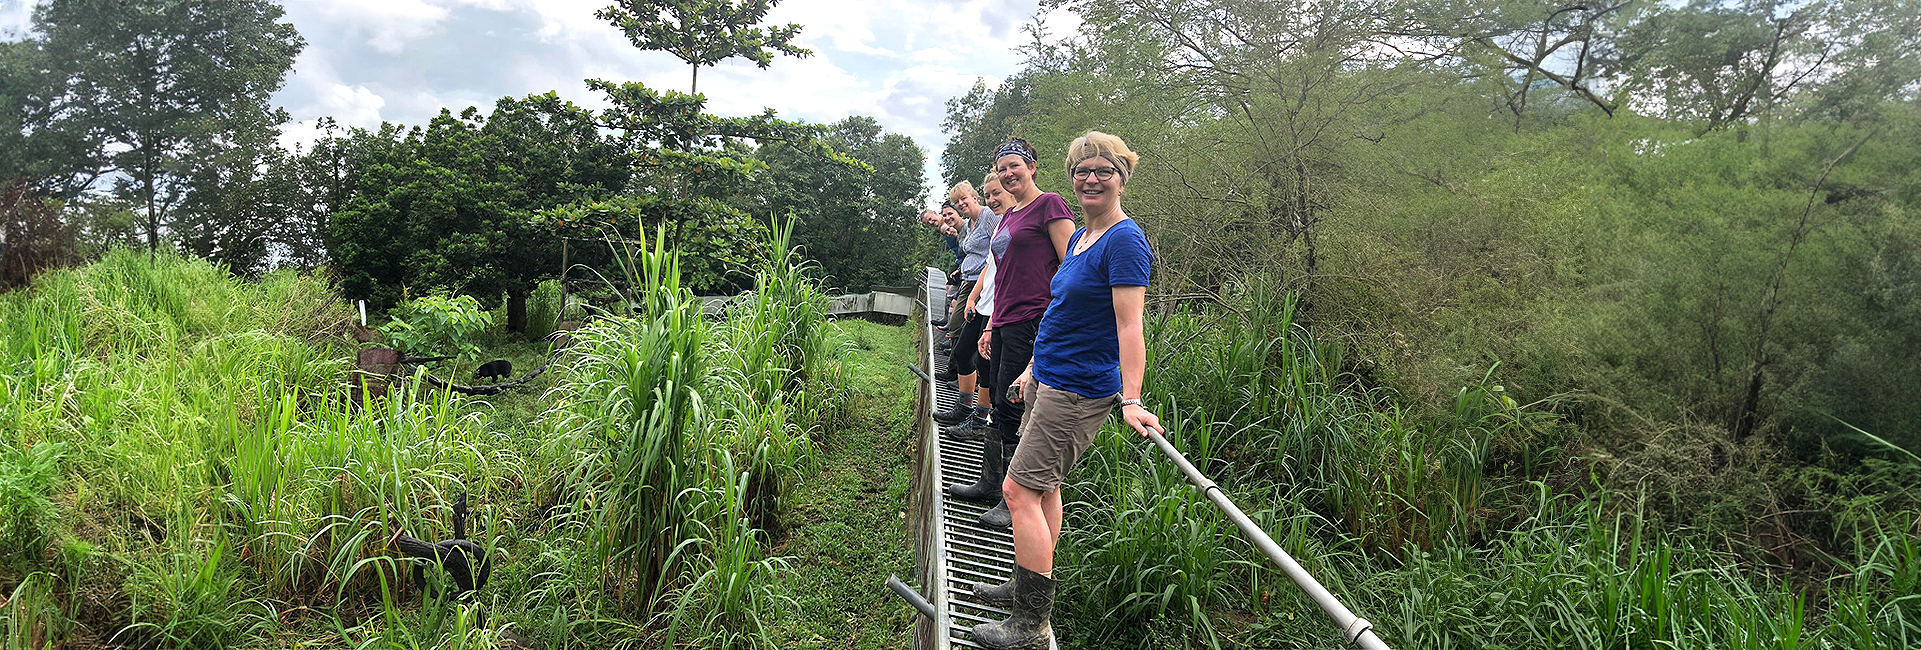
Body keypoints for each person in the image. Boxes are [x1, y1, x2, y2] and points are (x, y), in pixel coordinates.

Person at [968, 132, 1163, 650]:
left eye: (1103, 171)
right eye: (1082, 171)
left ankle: (1031, 625)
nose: (1091, 179)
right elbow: (1059, 310)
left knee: (1017, 491)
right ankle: (1024, 585)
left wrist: (1133, 397)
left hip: (1079, 389)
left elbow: (1129, 325)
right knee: (1045, 487)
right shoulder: (1080, 238)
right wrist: (1032, 366)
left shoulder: (1125, 240)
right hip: (1049, 377)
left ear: (1122, 177)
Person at [964, 137, 1075, 530]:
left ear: (1032, 167)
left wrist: (1052, 327)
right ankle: (991, 482)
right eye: (1003, 168)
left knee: (1015, 405)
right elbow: (1003, 274)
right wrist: (992, 324)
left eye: (1015, 165)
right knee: (999, 400)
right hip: (1006, 320)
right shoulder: (1010, 215)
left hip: (1035, 319)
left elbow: (1070, 266)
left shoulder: (1051, 205)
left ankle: (1015, 500)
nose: (1009, 173)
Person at [936, 181, 1002, 423]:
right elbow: (990, 261)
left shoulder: (989, 216)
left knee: (982, 358)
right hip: (976, 287)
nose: (961, 204)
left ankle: (980, 416)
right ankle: (964, 406)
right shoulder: (977, 223)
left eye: (964, 199)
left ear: (974, 197)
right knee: (965, 350)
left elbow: (997, 256)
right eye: (957, 201)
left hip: (993, 295)